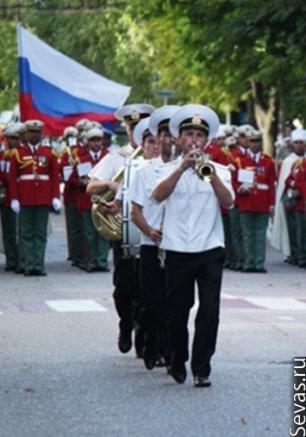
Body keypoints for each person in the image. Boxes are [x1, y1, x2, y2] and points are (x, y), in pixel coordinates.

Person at [152, 104, 234, 388]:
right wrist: (182, 168)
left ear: (206, 141)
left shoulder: (220, 170)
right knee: (177, 312)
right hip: (177, 249)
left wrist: (208, 174)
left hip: (210, 249)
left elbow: (228, 201)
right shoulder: (165, 170)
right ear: (178, 139)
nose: (194, 140)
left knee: (210, 309)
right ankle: (177, 357)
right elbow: (157, 196)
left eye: (199, 135)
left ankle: (202, 367)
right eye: (188, 134)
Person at [86, 104, 155, 355]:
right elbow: (91, 187)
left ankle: (145, 335)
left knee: (151, 288)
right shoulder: (118, 157)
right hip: (125, 233)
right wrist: (112, 185)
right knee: (124, 288)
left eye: (142, 125)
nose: (136, 130)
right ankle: (126, 324)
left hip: (152, 232)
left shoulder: (159, 155)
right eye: (132, 126)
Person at [129, 105, 179, 370]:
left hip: (179, 246)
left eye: (173, 134)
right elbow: (135, 211)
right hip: (151, 244)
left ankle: (170, 351)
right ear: (157, 138)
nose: (169, 140)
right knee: (151, 302)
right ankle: (149, 342)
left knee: (174, 302)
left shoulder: (187, 168)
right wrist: (149, 230)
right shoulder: (144, 172)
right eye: (164, 135)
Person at [8, 119, 61, 276]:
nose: (34, 135)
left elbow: (54, 177)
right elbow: (12, 178)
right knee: (26, 233)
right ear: (26, 133)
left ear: (41, 134)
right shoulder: (18, 153)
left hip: (43, 198)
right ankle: (29, 264)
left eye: (37, 132)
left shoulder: (49, 152)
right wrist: (14, 198)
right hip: (25, 198)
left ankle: (38, 264)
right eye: (31, 132)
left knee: (40, 233)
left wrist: (55, 197)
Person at [234, 129, 276, 273]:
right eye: (252, 141)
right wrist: (240, 189)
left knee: (260, 235)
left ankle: (259, 263)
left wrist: (271, 204)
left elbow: (271, 185)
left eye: (257, 141)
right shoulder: (241, 161)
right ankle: (248, 262)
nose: (255, 144)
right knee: (247, 234)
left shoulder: (268, 161)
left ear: (261, 143)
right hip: (246, 201)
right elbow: (235, 181)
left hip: (262, 203)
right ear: (248, 143)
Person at [70, 127, 110, 272]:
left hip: (104, 199)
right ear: (87, 142)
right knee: (88, 233)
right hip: (86, 200)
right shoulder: (81, 159)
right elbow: (72, 179)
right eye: (92, 140)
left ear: (102, 141)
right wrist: (80, 182)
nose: (96, 143)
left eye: (98, 140)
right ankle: (92, 261)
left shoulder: (108, 157)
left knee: (103, 232)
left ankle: (102, 261)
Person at [270, 129, 305, 263]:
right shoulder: (288, 161)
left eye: (301, 142)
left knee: (301, 230)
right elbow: (285, 181)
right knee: (292, 229)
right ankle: (294, 254)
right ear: (292, 145)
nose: (299, 145)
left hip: (302, 199)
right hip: (291, 201)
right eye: (296, 142)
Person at [0, 123, 25, 271]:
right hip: (5, 197)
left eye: (15, 138)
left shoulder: (22, 154)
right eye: (10, 138)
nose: (12, 141)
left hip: (19, 197)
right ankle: (11, 259)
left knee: (19, 231)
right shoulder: (3, 155)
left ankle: (21, 259)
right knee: (8, 230)